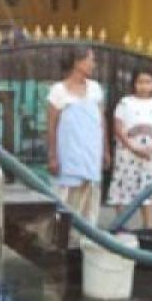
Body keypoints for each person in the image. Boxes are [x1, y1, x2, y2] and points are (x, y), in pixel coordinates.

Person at [47, 46, 108, 237]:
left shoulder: (95, 89)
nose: (93, 64)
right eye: (90, 59)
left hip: (91, 152)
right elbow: (51, 126)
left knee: (89, 194)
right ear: (77, 62)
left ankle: (86, 237)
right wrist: (52, 156)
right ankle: (62, 236)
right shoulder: (58, 91)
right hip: (69, 153)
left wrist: (106, 150)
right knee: (66, 196)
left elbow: (101, 120)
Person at [107, 69, 152, 228]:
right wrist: (132, 147)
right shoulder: (125, 102)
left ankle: (147, 225)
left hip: (149, 154)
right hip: (127, 153)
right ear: (134, 84)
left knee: (146, 187)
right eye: (140, 82)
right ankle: (120, 222)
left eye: (148, 82)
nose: (144, 86)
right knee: (122, 184)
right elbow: (118, 128)